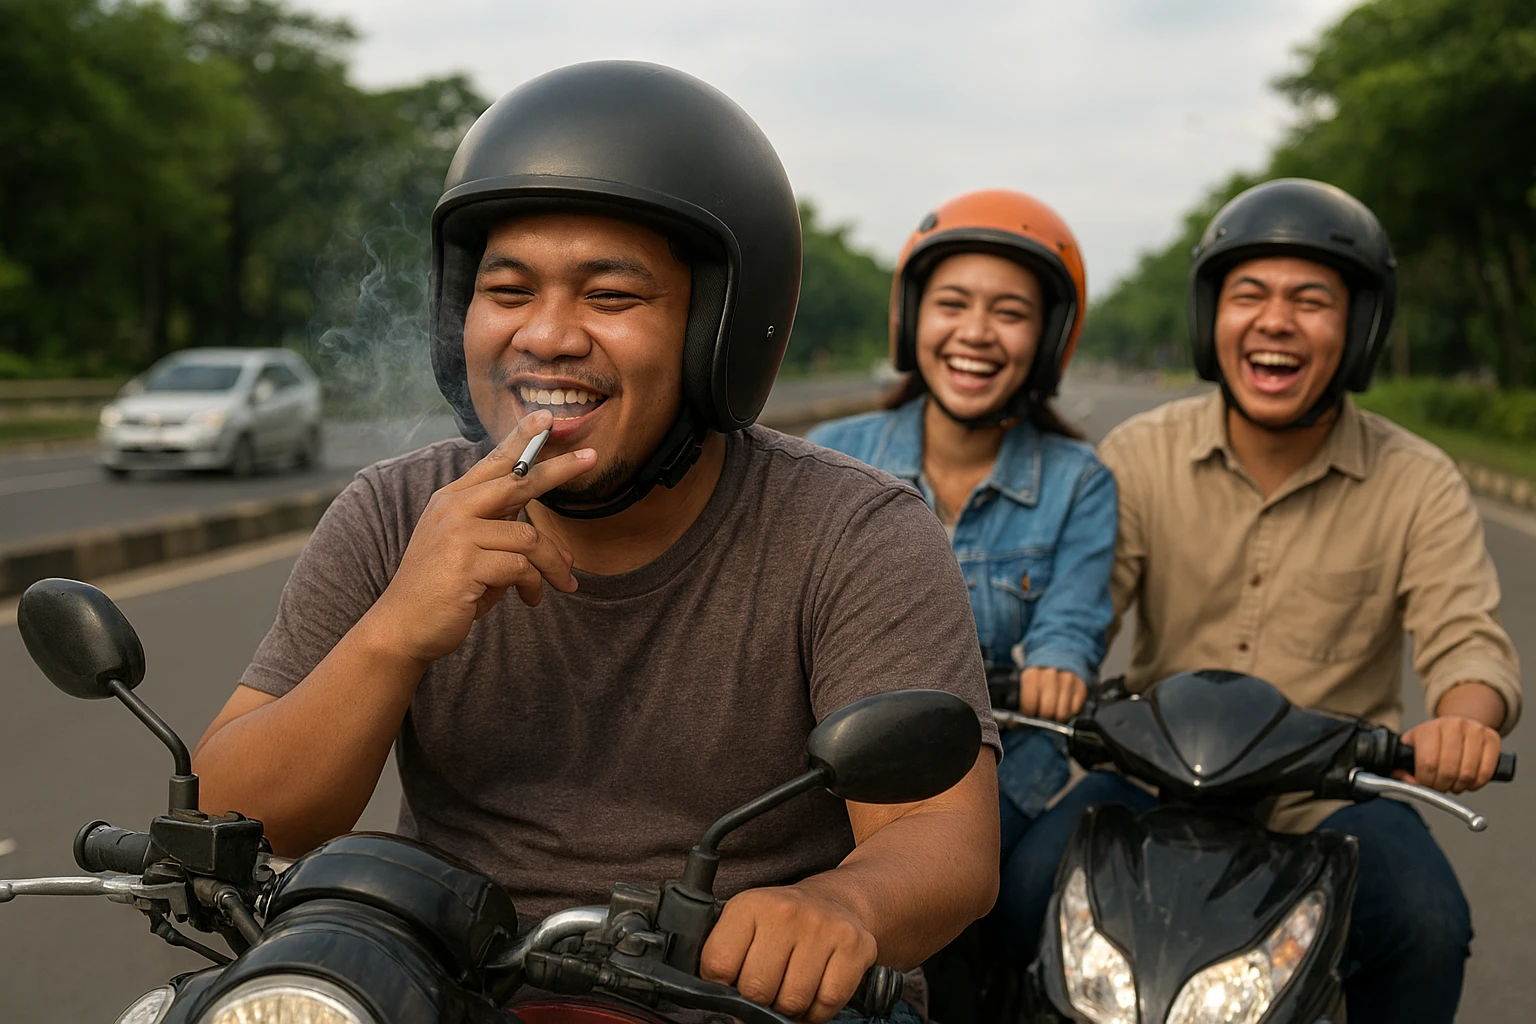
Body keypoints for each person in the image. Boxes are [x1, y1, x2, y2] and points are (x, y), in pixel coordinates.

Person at [189, 61, 1002, 1024]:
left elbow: (943, 835)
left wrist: (838, 906)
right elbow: (230, 819)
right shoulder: (396, 511)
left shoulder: (851, 530)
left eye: (611, 297)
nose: (547, 336)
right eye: (508, 289)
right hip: (445, 990)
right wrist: (395, 633)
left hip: (737, 997)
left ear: (719, 332)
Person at [1092, 177, 1522, 1023]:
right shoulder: (1138, 453)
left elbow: (1465, 638)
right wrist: (1050, 669)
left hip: (1337, 792)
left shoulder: (1418, 477)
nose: (1276, 321)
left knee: (1431, 926)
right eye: (1248, 294)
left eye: (1311, 300)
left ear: (1359, 328)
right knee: (1020, 885)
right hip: (1153, 782)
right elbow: (1084, 606)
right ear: (1210, 318)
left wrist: (1464, 720)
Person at [808, 190, 1118, 966]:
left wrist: (1059, 663)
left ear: (1047, 341)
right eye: (953, 303)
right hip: (830, 771)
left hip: (1009, 768)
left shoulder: (1080, 480)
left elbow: (1072, 618)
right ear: (913, 319)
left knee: (1003, 915)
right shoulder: (831, 453)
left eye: (1009, 312)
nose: (976, 331)